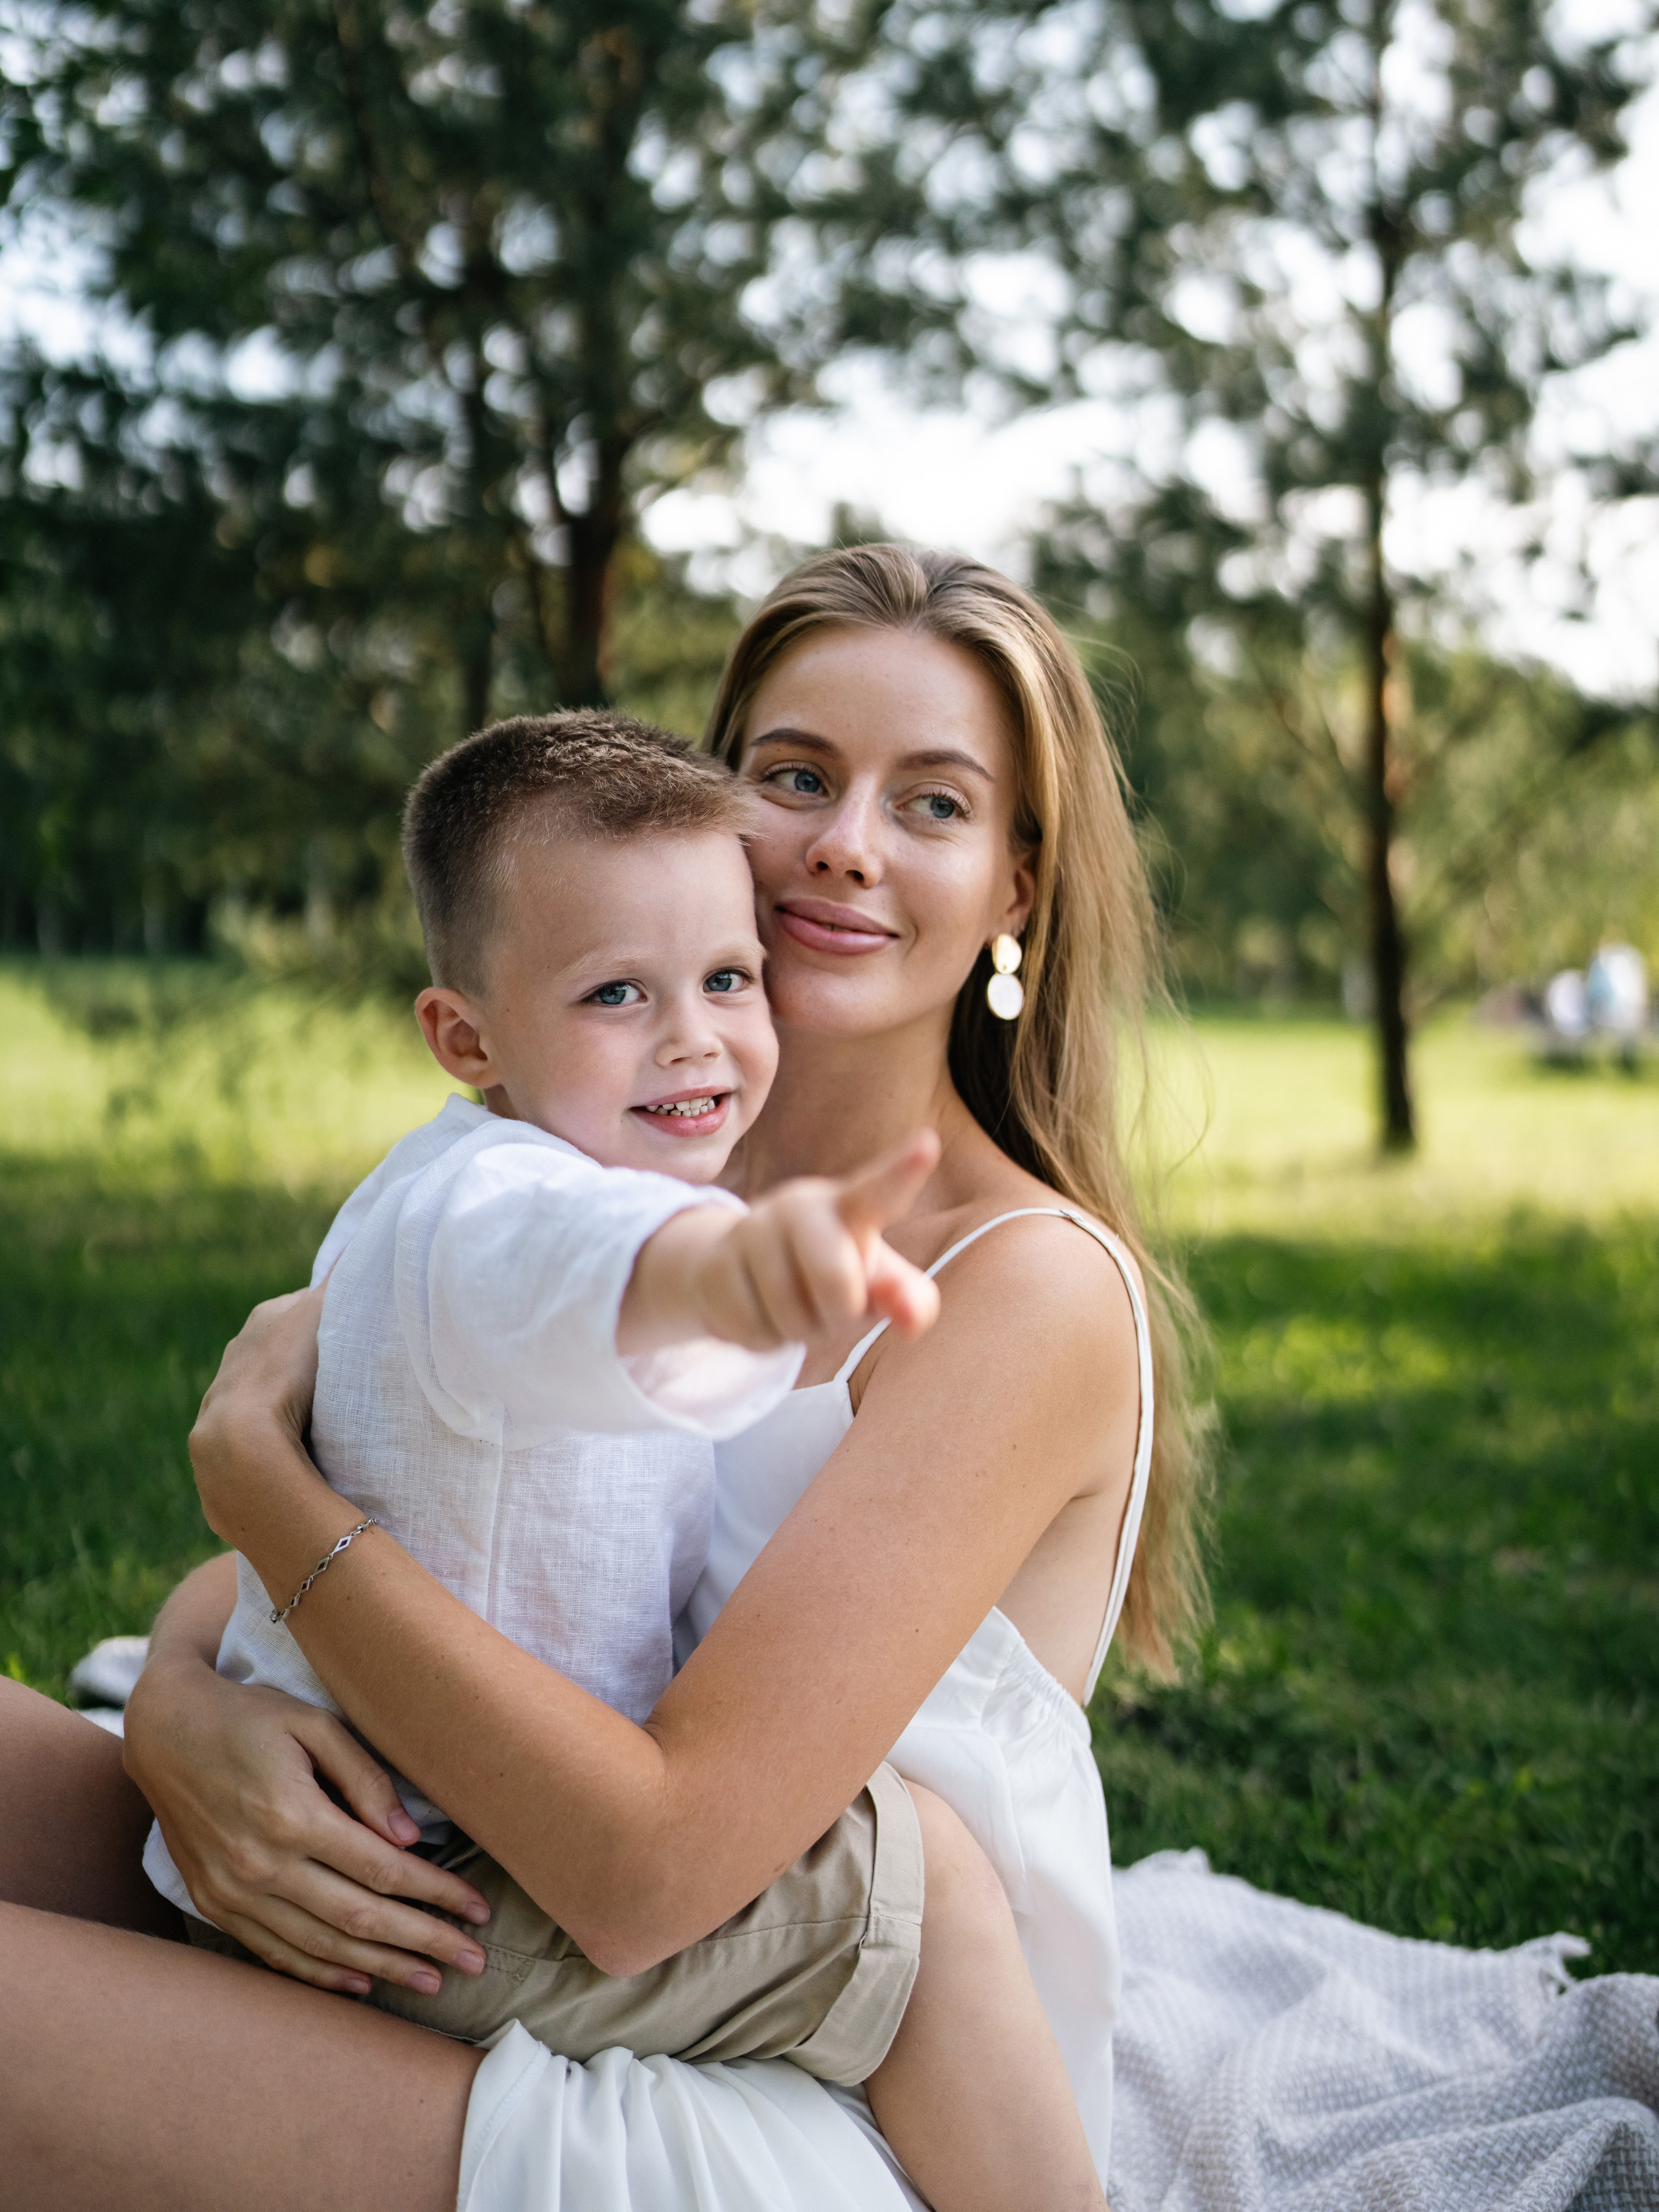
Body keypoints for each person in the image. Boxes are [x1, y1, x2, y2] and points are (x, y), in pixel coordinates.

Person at [0, 544, 1207, 2212]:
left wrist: (258, 1488)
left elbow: (649, 1872)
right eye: (796, 777)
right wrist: (184, 1720)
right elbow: (398, 1515)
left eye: (931, 804)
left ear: (1017, 885)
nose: (844, 844)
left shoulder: (1020, 1292)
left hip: (767, 2069)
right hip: (468, 1882)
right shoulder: (619, 1144)